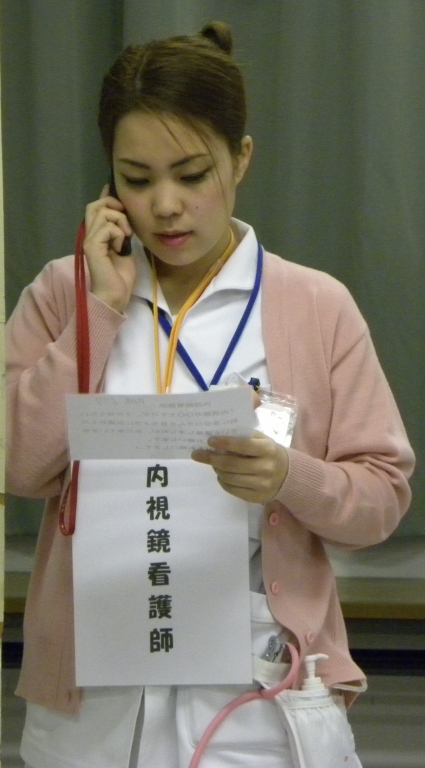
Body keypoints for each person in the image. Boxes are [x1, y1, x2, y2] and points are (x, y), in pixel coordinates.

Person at [6, 21, 415, 768]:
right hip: (94, 701)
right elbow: (17, 465)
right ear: (109, 182)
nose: (165, 205)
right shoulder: (65, 293)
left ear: (241, 158)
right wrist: (99, 309)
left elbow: (381, 498)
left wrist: (289, 476)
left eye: (192, 175)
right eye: (136, 178)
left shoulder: (314, 305)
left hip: (256, 696)